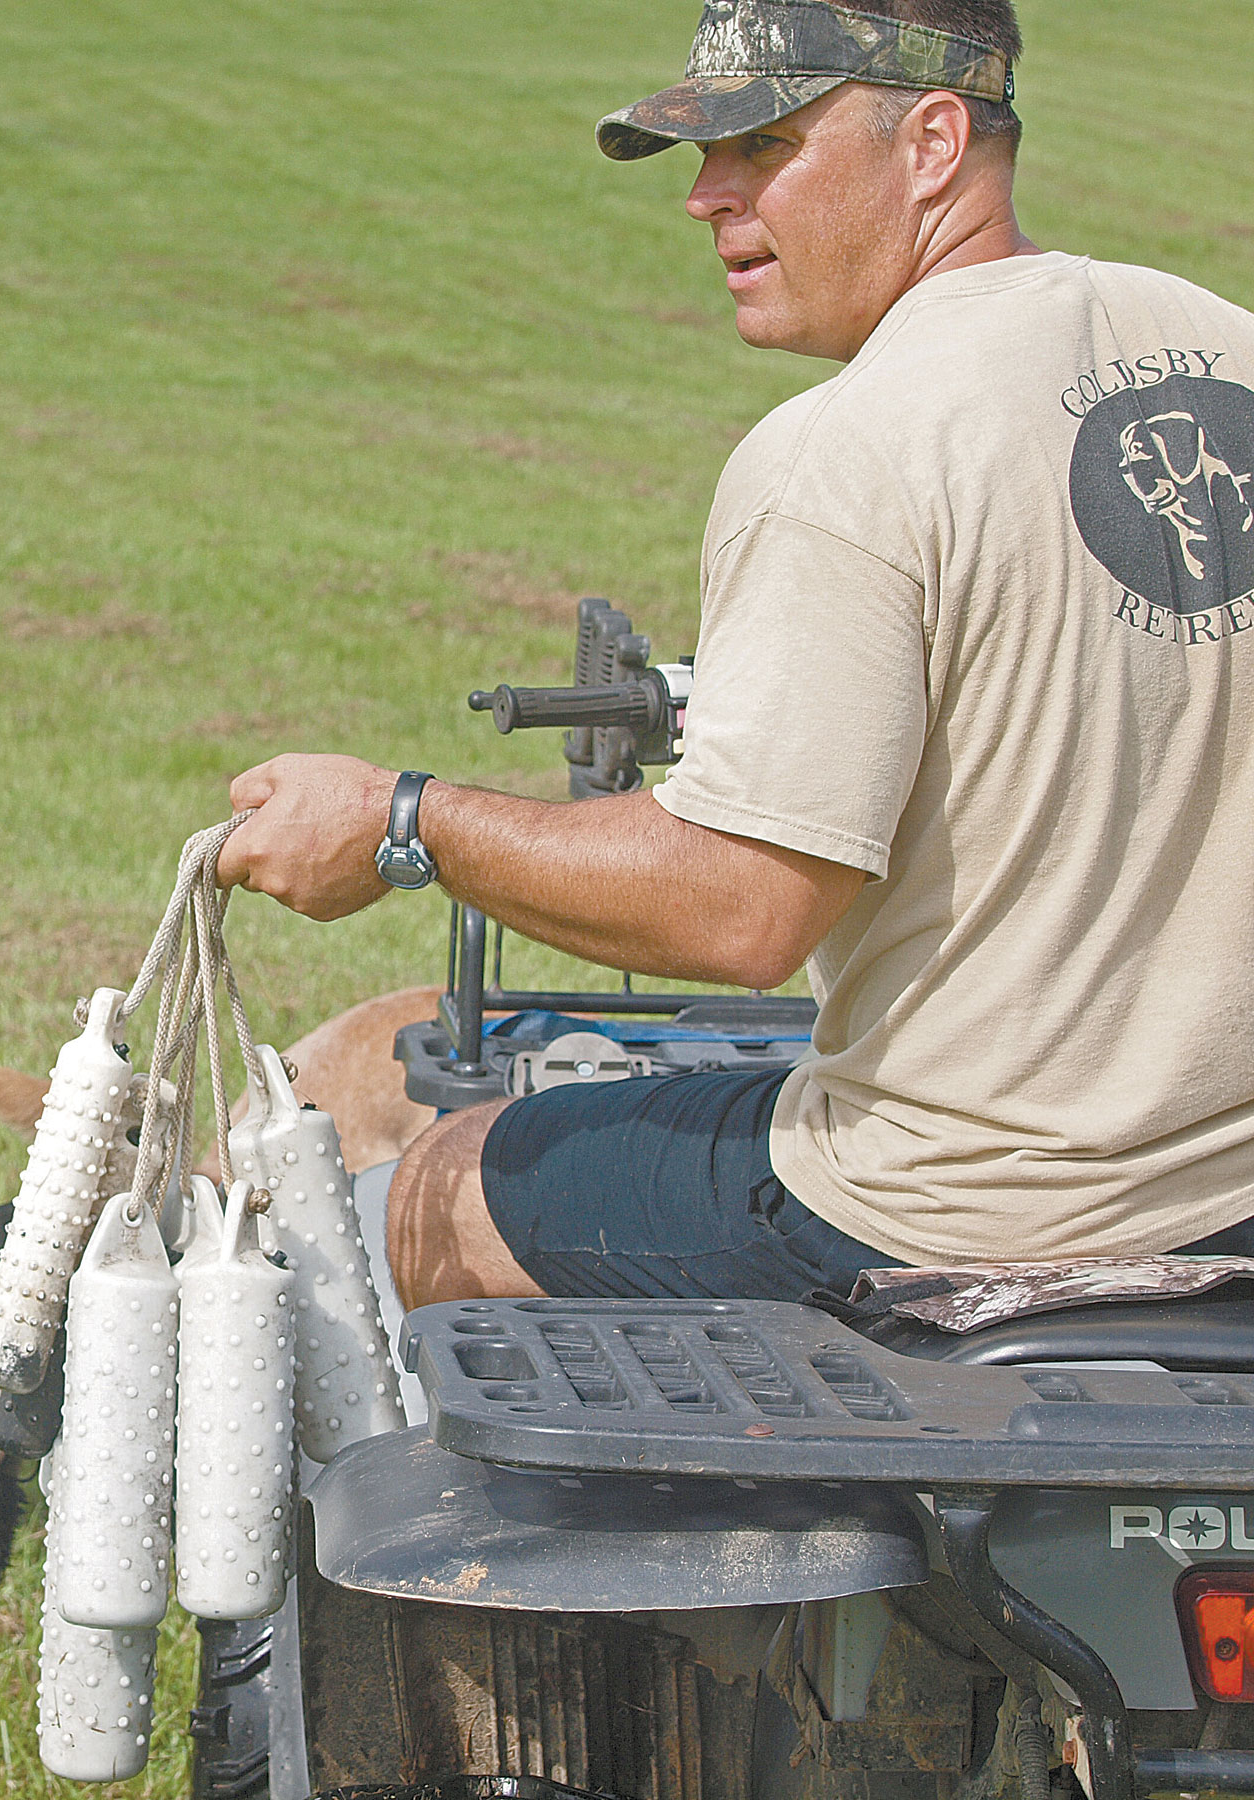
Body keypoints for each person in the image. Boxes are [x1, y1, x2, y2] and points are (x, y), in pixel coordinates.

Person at [213, 0, 1254, 1307]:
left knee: (441, 1184)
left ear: (934, 143)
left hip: (954, 1207)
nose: (708, 196)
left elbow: (741, 907)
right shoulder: (1226, 347)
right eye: (705, 155)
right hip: (1233, 1189)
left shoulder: (846, 452)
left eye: (765, 146)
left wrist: (403, 820)